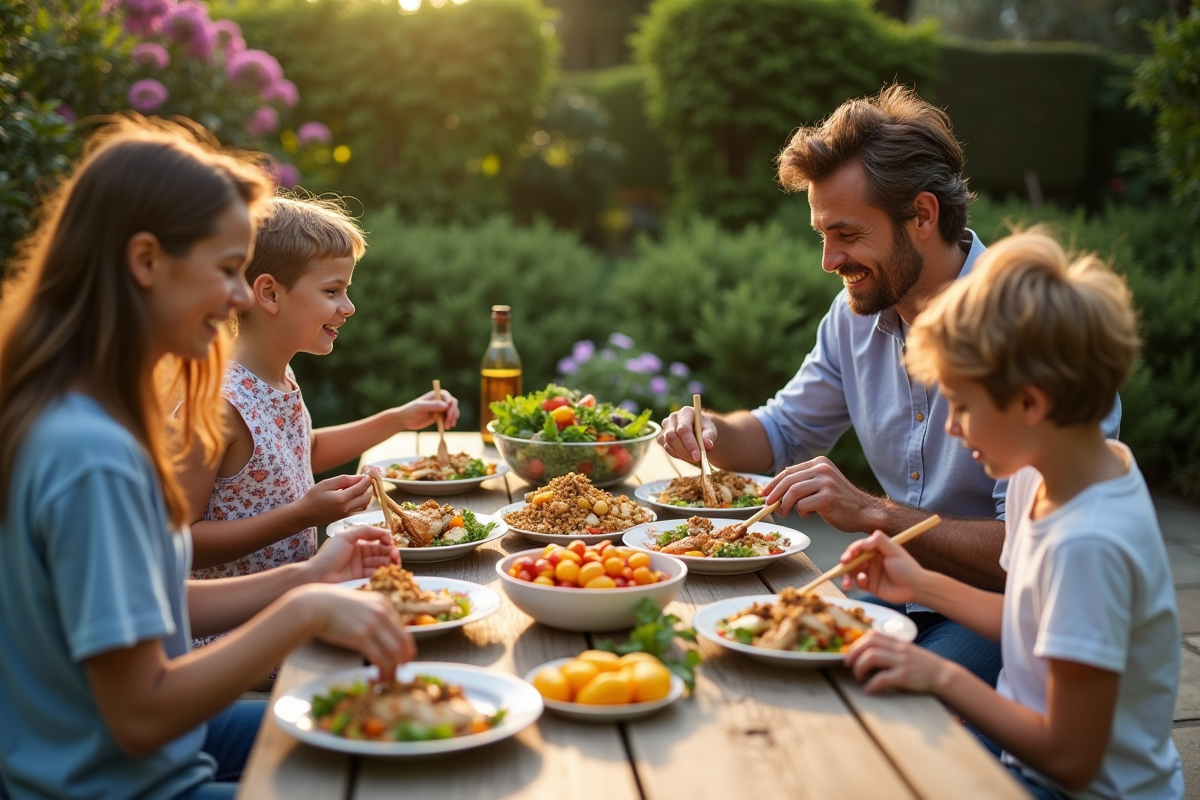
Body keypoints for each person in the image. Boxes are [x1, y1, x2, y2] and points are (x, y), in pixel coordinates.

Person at [0, 117, 415, 800]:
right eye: (226, 270)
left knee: (405, 736)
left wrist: (306, 577)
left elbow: (153, 602)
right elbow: (140, 715)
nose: (236, 295)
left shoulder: (86, 410)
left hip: (163, 749)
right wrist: (303, 610)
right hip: (118, 782)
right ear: (145, 262)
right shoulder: (90, 455)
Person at [657, 85, 1119, 686]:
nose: (828, 260)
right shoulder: (854, 316)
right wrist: (712, 431)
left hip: (997, 610)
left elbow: (1032, 557)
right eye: (821, 234)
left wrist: (873, 511)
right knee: (757, 664)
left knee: (891, 716)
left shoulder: (1031, 326)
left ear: (923, 216)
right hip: (895, 586)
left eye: (846, 235)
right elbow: (782, 430)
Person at [840, 231, 1181, 800]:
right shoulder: (1040, 472)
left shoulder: (1087, 542)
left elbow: (1070, 759)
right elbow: (1032, 626)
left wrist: (940, 677)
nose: (950, 427)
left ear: (1030, 403)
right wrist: (922, 584)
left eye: (964, 407)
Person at [179, 194, 459, 593]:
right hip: (241, 638)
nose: (349, 306)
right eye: (332, 291)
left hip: (294, 613)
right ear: (270, 294)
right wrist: (301, 515)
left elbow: (298, 453)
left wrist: (398, 419)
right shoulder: (216, 403)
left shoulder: (277, 376)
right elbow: (179, 543)